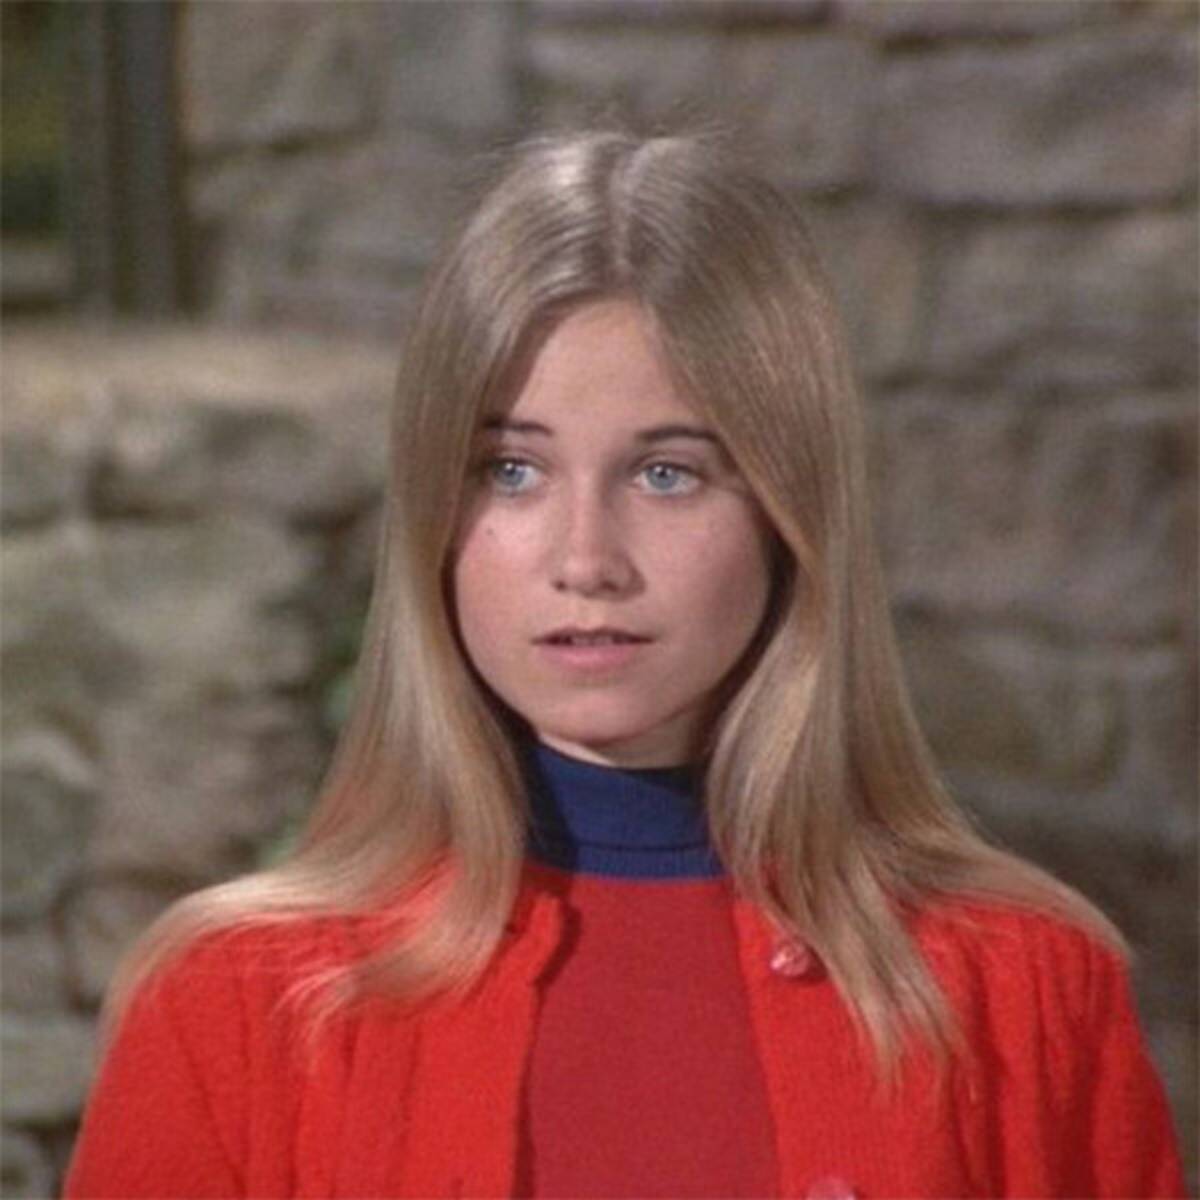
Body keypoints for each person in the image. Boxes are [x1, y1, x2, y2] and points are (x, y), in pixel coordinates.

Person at [65, 129, 1184, 1200]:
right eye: (511, 471)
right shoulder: (235, 1004)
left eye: (666, 474)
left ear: (788, 519)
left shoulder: (1027, 992)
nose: (586, 560)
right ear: (435, 519)